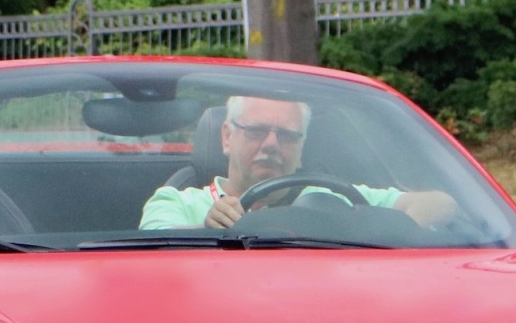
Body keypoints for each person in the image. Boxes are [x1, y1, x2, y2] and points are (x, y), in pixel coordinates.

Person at [140, 94, 456, 230]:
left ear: (302, 146)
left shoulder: (332, 199)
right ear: (226, 136)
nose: (272, 145)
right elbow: (154, 252)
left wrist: (369, 228)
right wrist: (207, 229)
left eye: (288, 135)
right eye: (257, 131)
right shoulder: (176, 202)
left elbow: (441, 204)